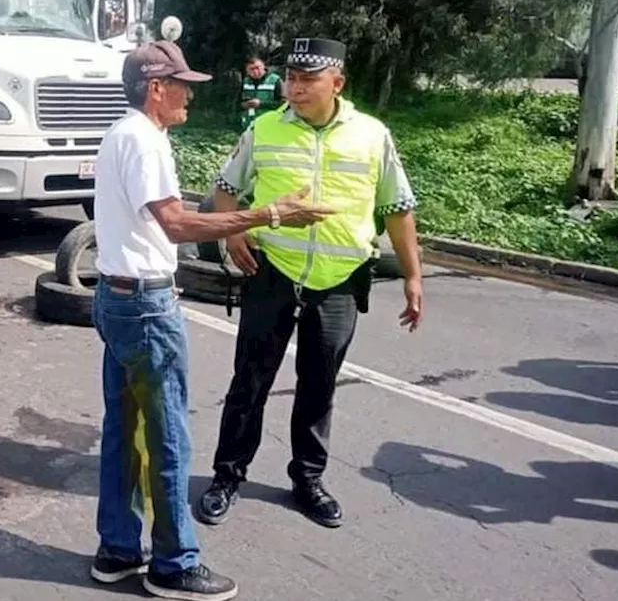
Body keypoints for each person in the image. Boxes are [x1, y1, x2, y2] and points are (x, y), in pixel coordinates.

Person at [89, 40, 335, 600]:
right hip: (145, 307)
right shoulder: (144, 141)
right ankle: (174, 565)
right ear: (156, 88)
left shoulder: (122, 134)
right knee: (168, 435)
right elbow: (177, 224)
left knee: (124, 431)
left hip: (117, 297)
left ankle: (119, 549)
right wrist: (271, 213)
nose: (189, 96)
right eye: (182, 86)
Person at [196, 37, 424, 530]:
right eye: (291, 79)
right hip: (271, 271)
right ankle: (227, 476)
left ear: (337, 83)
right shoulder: (264, 129)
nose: (294, 88)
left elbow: (398, 208)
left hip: (340, 281)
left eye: (307, 80)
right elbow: (224, 189)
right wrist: (233, 230)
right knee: (250, 381)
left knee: (319, 386)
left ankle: (308, 480)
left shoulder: (372, 136)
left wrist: (413, 274)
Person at [237, 55, 282, 131]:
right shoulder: (245, 82)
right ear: (247, 70)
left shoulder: (275, 80)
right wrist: (244, 105)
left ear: (263, 66)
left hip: (269, 125)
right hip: (248, 126)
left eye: (257, 68)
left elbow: (283, 104)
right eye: (251, 69)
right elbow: (237, 104)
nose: (255, 71)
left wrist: (261, 103)